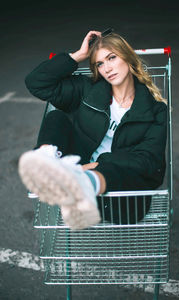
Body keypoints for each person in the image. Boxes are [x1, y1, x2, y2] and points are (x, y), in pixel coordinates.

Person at [18, 29, 167, 230]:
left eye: (112, 58)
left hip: (122, 199)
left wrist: (90, 167)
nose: (107, 68)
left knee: (123, 164)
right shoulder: (89, 90)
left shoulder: (154, 110)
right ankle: (49, 163)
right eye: (100, 63)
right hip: (76, 171)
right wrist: (78, 56)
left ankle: (82, 182)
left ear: (128, 58)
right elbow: (36, 83)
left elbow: (150, 163)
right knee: (56, 116)